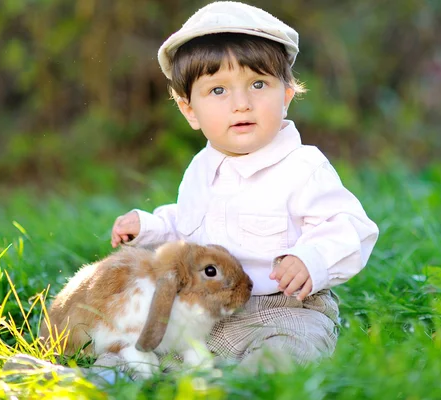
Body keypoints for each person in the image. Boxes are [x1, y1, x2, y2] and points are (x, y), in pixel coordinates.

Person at [111, 1, 379, 372]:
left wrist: (311, 259)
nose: (241, 104)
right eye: (218, 91)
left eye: (257, 84)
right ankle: (101, 378)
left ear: (286, 95)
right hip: (212, 308)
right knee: (155, 353)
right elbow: (191, 227)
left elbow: (351, 228)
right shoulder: (201, 168)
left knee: (282, 357)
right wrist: (151, 227)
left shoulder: (302, 167)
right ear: (189, 110)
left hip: (288, 309)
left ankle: (251, 383)